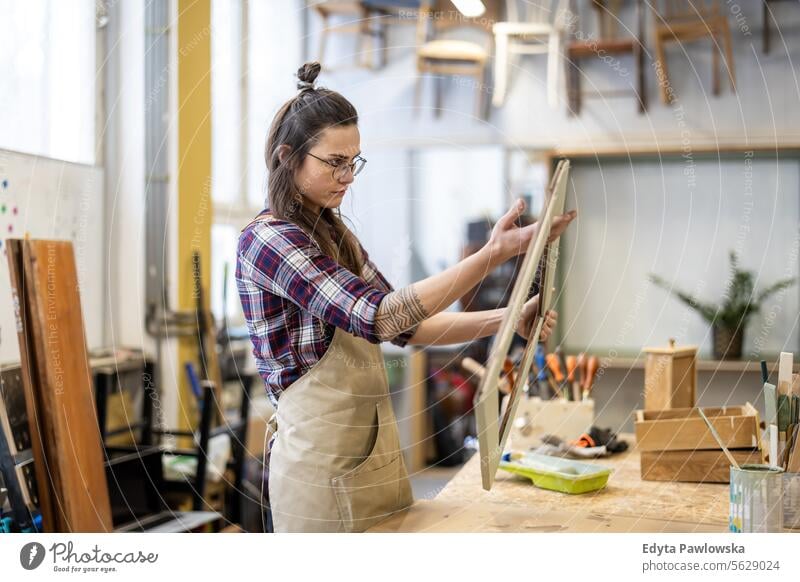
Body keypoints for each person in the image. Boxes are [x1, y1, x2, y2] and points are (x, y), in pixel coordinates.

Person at [236, 62, 577, 533]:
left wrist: (509, 317)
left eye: (353, 161)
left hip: (372, 460)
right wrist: (490, 255)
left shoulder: (337, 236)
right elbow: (377, 316)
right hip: (317, 472)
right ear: (287, 157)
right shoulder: (269, 240)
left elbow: (408, 325)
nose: (348, 175)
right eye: (334, 162)